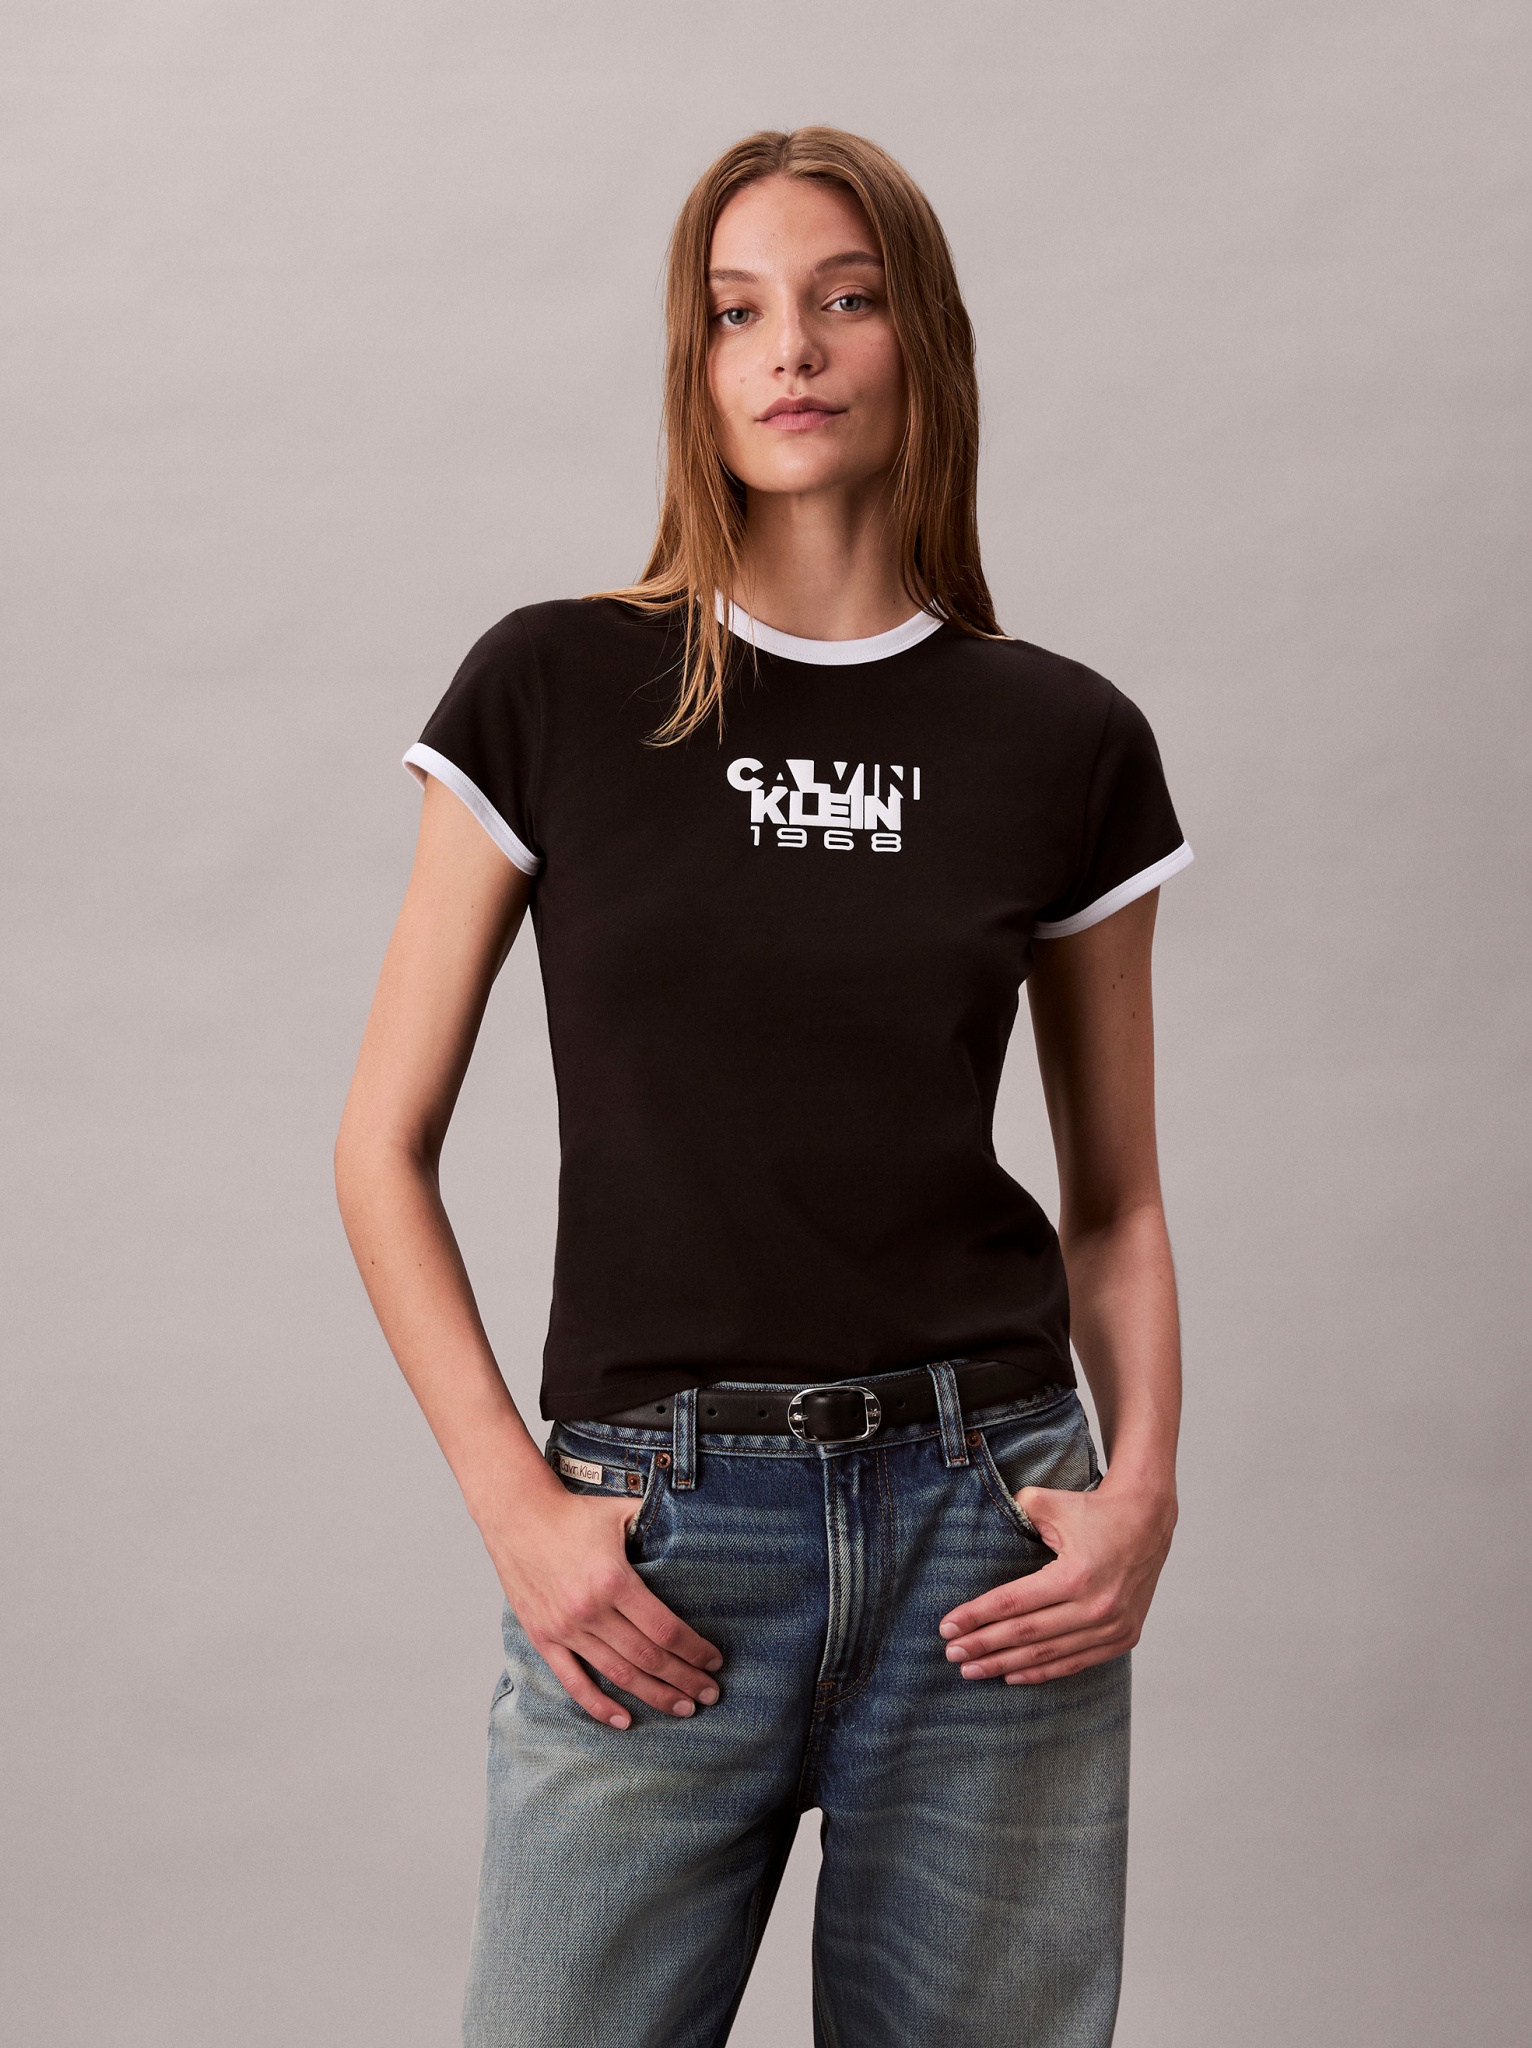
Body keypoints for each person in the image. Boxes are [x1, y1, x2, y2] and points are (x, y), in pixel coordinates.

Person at [335, 125, 1192, 2048]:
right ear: (695, 365)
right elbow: (379, 1150)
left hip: (988, 1525)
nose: (789, 348)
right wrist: (517, 1505)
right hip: (660, 1536)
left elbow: (1118, 1197)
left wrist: (1139, 1494)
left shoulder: (1061, 737)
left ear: (920, 339)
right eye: (736, 313)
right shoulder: (555, 691)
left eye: (842, 298)